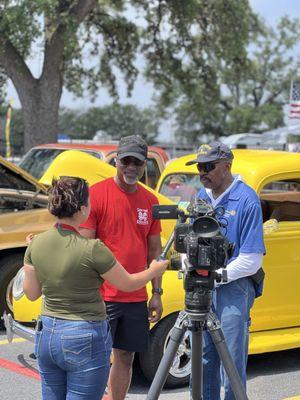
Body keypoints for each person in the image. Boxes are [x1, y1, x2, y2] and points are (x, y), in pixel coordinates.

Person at [23, 176, 168, 400]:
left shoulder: (36, 244)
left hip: (47, 333)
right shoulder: (93, 249)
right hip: (83, 334)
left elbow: (32, 293)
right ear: (82, 209)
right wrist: (155, 271)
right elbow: (128, 283)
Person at [79, 135, 164, 400]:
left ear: (143, 165)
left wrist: (157, 293)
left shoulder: (150, 201)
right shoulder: (96, 194)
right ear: (116, 160)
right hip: (102, 297)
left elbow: (154, 251)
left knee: (125, 357)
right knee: (96, 358)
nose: (131, 167)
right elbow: (84, 248)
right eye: (125, 160)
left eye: (137, 163)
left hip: (136, 296)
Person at [185, 141, 265, 400]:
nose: (202, 173)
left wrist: (218, 276)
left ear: (227, 166)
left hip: (233, 287)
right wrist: (190, 262)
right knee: (203, 359)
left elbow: (252, 260)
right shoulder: (199, 198)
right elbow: (188, 242)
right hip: (202, 288)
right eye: (199, 168)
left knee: (230, 362)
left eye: (208, 166)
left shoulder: (247, 199)